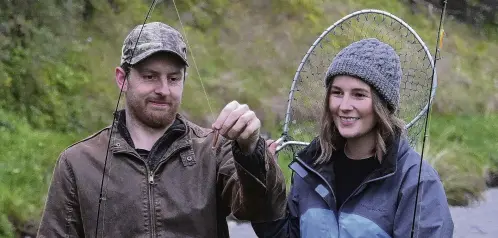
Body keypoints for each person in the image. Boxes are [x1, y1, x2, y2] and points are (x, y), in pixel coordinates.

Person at [36, 22, 287, 237]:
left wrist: (252, 151)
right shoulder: (78, 163)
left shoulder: (214, 150)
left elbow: (265, 211)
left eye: (174, 78)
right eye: (150, 76)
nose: (164, 89)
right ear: (122, 79)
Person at [252, 38, 454, 237]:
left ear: (382, 105)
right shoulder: (312, 166)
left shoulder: (416, 181)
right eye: (337, 92)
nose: (344, 106)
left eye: (359, 95)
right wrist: (262, 183)